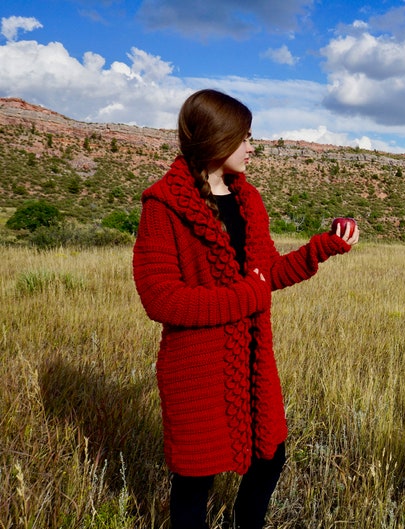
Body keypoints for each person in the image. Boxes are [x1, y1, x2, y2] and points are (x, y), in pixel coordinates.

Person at [132, 88, 359, 529]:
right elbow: (159, 298)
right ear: (218, 139)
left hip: (253, 360)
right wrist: (246, 297)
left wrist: (321, 249)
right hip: (196, 368)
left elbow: (266, 274)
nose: (252, 148)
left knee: (271, 458)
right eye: (245, 138)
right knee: (195, 484)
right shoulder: (163, 206)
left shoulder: (248, 200)